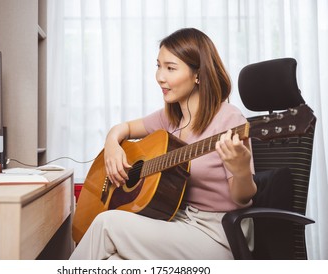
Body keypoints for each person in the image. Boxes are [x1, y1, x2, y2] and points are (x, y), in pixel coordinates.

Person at [70, 27, 256, 260]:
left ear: (197, 74)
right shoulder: (170, 117)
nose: (160, 76)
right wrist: (112, 146)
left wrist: (241, 170)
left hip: (218, 232)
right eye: (158, 66)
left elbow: (242, 197)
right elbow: (123, 129)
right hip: (175, 221)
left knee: (106, 224)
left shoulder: (229, 119)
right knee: (112, 262)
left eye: (170, 68)